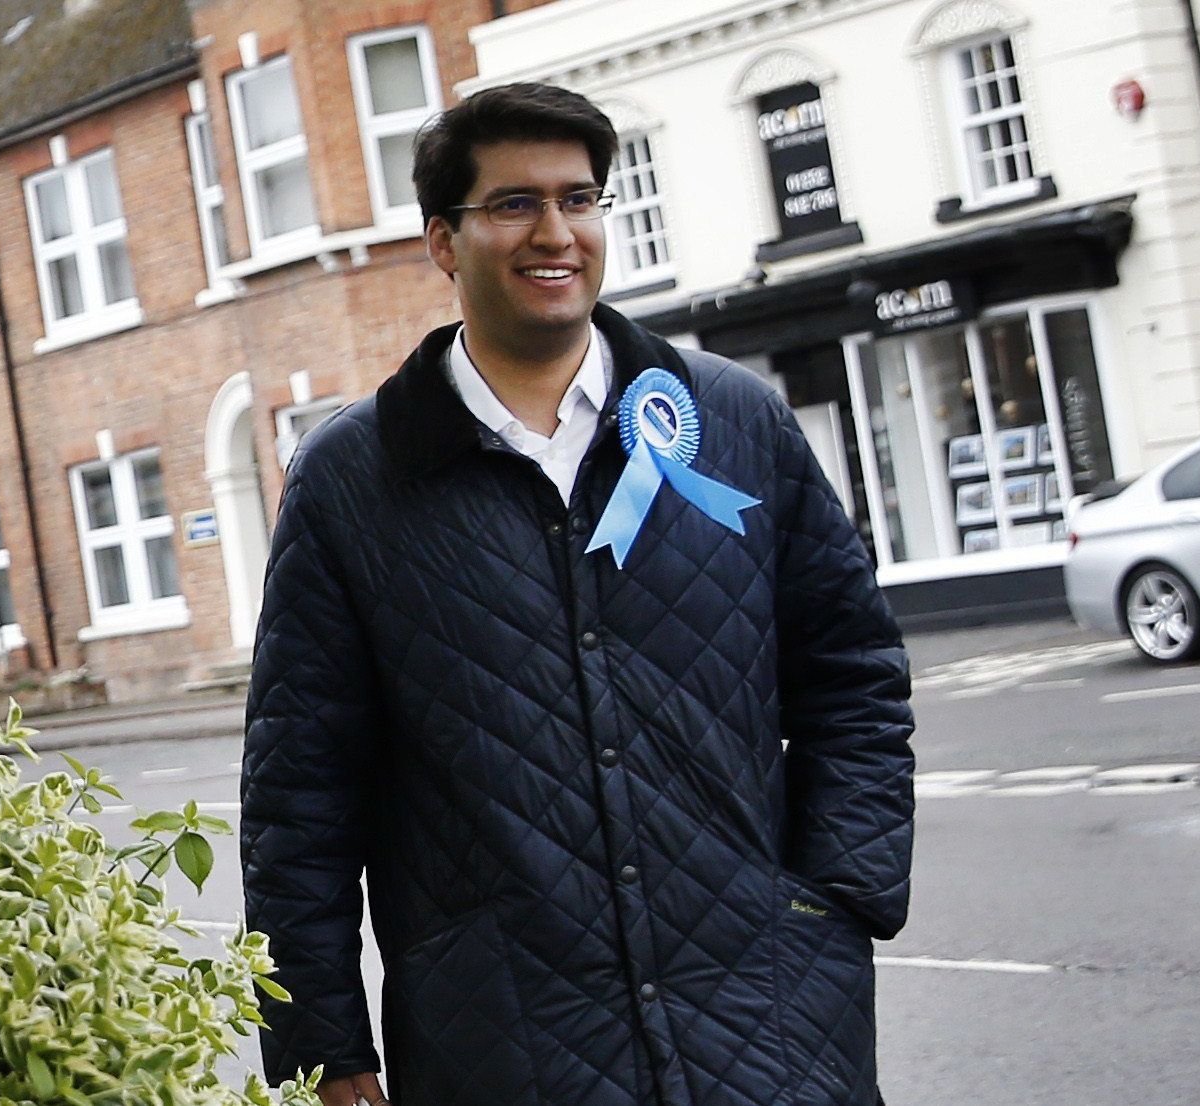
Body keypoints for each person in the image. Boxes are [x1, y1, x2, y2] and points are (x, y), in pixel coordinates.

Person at [242, 82, 915, 1106]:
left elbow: (852, 674)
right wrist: (319, 1044)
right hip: (505, 1041)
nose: (554, 232)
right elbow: (300, 788)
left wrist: (831, 899)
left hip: (767, 1020)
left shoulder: (726, 418)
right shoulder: (352, 479)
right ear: (441, 240)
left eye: (579, 198)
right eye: (512, 203)